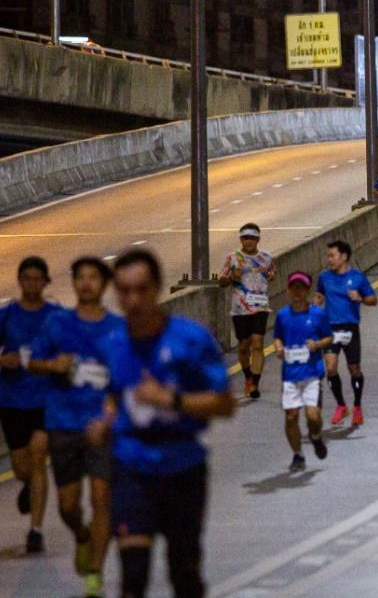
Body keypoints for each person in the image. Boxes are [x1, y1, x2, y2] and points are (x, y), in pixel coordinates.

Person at [86, 250, 234, 598]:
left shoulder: (190, 339)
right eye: (124, 291)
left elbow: (224, 403)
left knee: (184, 572)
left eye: (141, 289)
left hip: (182, 467)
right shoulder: (113, 344)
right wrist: (105, 420)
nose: (133, 300)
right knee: (133, 575)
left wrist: (173, 400)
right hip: (132, 468)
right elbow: (113, 396)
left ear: (157, 288)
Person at [27, 258, 120, 596]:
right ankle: (82, 536)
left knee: (102, 499)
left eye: (93, 277)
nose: (86, 283)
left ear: (104, 284)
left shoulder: (117, 329)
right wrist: (52, 364)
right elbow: (32, 362)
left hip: (100, 428)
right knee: (68, 506)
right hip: (62, 423)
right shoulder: (57, 324)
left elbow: (126, 380)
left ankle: (94, 574)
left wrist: (110, 414)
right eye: (80, 277)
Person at [0, 256, 59, 554]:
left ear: (46, 282)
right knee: (22, 467)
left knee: (38, 457)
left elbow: (68, 348)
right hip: (13, 400)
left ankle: (35, 531)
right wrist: (3, 360)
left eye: (38, 278)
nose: (33, 284)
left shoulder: (55, 316)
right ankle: (27, 485)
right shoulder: (4, 317)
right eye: (28, 278)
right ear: (20, 280)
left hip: (45, 399)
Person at [272, 272, 332, 472]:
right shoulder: (282, 315)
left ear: (307, 291)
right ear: (288, 290)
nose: (297, 291)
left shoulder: (317, 314)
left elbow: (329, 338)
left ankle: (315, 436)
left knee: (313, 417)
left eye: (301, 288)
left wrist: (316, 344)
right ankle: (298, 455)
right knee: (291, 416)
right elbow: (277, 337)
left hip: (311, 373)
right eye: (293, 287)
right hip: (290, 373)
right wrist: (278, 348)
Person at [315, 240, 378, 426]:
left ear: (344, 256)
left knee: (354, 369)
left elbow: (373, 299)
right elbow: (319, 295)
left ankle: (357, 406)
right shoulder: (324, 277)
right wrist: (314, 305)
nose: (329, 259)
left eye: (332, 255)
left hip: (350, 328)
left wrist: (360, 298)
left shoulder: (357, 277)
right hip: (329, 329)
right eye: (328, 256)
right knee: (331, 368)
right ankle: (341, 406)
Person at [218, 223, 275, 399]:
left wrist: (272, 276)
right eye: (245, 238)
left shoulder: (266, 257)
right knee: (244, 346)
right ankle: (248, 377)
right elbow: (221, 282)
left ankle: (255, 384)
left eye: (251, 238)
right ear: (240, 239)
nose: (248, 241)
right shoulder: (232, 258)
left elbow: (272, 273)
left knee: (258, 343)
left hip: (260, 306)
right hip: (240, 309)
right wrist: (230, 278)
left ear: (258, 239)